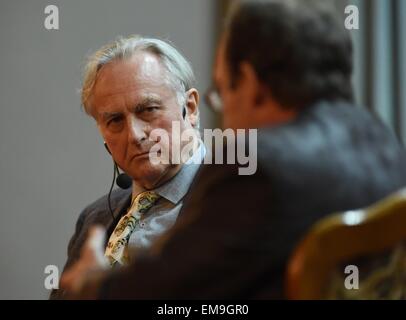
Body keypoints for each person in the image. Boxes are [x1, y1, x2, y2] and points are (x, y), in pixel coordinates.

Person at [60, 0, 406, 299]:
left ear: (252, 84)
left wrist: (93, 284)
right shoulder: (384, 146)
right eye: (114, 121)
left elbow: (165, 292)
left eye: (222, 93)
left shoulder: (257, 168)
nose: (223, 117)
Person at [50, 36, 203, 299]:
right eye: (115, 120)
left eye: (148, 109)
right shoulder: (94, 218)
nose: (134, 134)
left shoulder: (232, 203)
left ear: (189, 109)